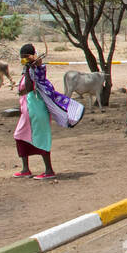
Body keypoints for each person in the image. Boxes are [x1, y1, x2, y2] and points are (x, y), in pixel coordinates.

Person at [13, 43, 84, 180]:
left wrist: (29, 68)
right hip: (29, 110)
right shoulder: (30, 70)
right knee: (21, 136)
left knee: (40, 137)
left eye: (25, 57)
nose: (24, 60)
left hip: (35, 110)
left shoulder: (36, 70)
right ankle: (26, 169)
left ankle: (48, 170)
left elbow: (28, 88)